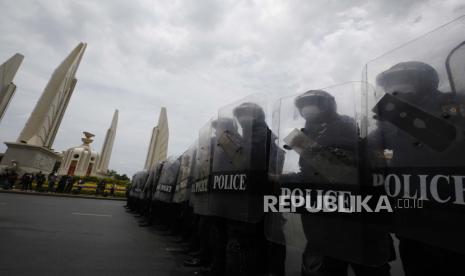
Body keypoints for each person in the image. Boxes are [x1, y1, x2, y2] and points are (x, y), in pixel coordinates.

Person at [374, 61, 465, 276]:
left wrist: (400, 113)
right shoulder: (389, 121)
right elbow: (383, 156)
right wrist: (381, 155)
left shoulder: (452, 103)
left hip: (454, 222)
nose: (393, 88)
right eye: (389, 83)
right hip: (412, 223)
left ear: (423, 82)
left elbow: (455, 142)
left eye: (402, 81)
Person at [288, 90, 392, 276]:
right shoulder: (310, 135)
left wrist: (282, 179)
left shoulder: (344, 130)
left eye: (311, 103)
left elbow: (338, 172)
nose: (305, 109)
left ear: (326, 105)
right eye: (302, 106)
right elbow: (310, 175)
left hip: (357, 224)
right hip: (322, 225)